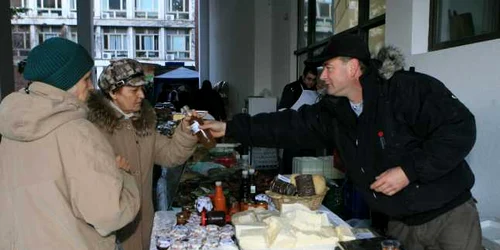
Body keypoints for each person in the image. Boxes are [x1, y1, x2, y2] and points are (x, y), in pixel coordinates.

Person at [201, 34, 481, 250]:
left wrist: (409, 171)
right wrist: (229, 127)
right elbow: (285, 126)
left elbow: (460, 128)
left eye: (328, 68)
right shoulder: (335, 112)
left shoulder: (405, 89)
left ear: (354, 68)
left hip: (449, 216)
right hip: (399, 225)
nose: (322, 76)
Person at [0, 37, 140, 250]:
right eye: (86, 79)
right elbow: (110, 213)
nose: (92, 87)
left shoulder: (11, 130)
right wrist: (123, 177)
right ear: (65, 82)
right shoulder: (77, 132)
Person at [86, 58, 198, 250]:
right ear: (113, 93)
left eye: (142, 89)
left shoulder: (143, 124)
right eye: (134, 90)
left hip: (143, 222)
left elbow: (171, 155)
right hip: (112, 232)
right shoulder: (93, 130)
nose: (141, 95)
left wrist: (186, 132)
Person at [277, 66, 319, 173]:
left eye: (314, 80)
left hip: (310, 137)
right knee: (291, 167)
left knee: (308, 169)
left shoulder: (317, 92)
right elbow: (282, 111)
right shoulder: (292, 88)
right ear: (303, 76)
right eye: (309, 79)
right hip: (293, 134)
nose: (311, 83)